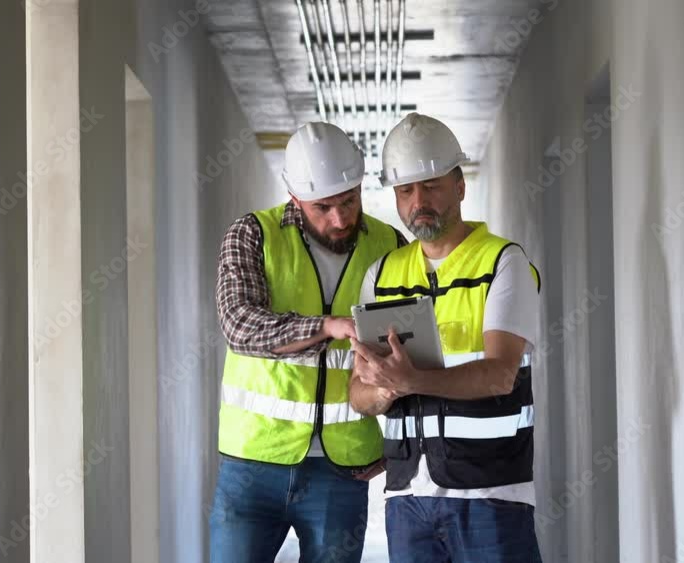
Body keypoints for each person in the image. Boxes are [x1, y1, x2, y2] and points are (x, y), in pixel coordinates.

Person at [348, 113, 543, 563]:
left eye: (431, 186)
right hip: (407, 498)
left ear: (459, 186)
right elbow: (358, 393)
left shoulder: (502, 263)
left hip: (491, 493)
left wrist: (411, 380)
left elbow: (500, 375)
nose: (419, 201)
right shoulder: (382, 275)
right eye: (405, 190)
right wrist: (383, 390)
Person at [210, 121, 407, 563]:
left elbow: (412, 353)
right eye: (323, 207)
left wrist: (400, 445)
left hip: (343, 470)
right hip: (252, 463)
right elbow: (240, 326)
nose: (340, 219)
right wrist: (327, 327)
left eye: (349, 200)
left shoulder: (390, 246)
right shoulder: (253, 235)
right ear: (294, 197)